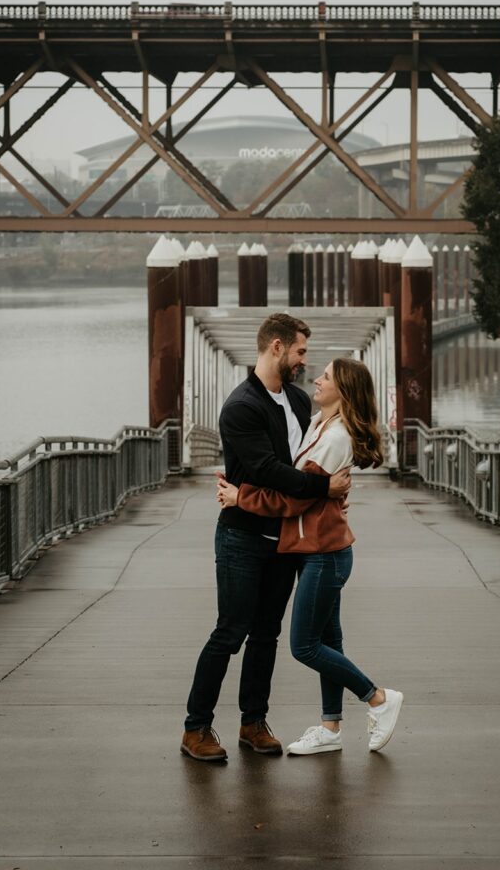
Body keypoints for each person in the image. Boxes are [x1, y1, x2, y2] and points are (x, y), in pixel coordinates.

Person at [181, 313, 351, 762]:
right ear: (276, 347)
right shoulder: (241, 407)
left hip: (283, 540)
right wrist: (324, 489)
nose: (303, 362)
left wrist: (331, 493)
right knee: (230, 631)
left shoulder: (297, 402)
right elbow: (270, 473)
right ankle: (196, 727)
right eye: (299, 352)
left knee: (266, 635)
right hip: (242, 538)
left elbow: (313, 458)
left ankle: (253, 722)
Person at [217, 357, 403, 755]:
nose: (315, 379)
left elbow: (296, 499)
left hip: (324, 554)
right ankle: (331, 728)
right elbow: (306, 486)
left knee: (304, 646)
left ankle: (378, 698)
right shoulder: (319, 423)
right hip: (316, 549)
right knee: (329, 639)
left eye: (327, 377)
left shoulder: (336, 438)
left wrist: (240, 497)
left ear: (343, 391)